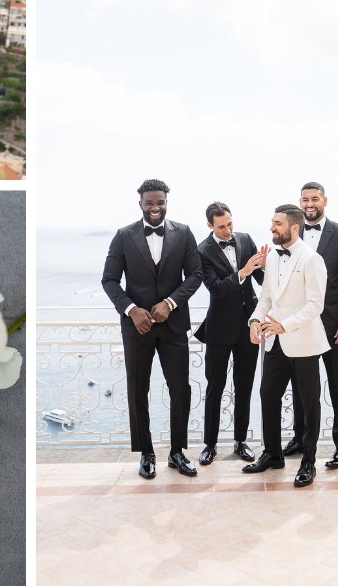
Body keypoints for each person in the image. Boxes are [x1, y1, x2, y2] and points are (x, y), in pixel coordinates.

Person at [102, 177, 203, 480]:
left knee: (180, 389)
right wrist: (132, 310)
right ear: (141, 204)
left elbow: (195, 275)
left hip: (173, 327)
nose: (155, 207)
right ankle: (146, 453)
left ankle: (177, 452)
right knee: (137, 390)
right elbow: (109, 280)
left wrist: (170, 303)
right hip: (137, 328)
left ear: (166, 203)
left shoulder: (184, 233)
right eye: (150, 203)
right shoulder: (123, 236)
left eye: (160, 202)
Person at [243, 203, 328, 487]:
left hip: (303, 342)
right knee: (268, 396)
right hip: (274, 343)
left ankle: (308, 462)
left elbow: (315, 305)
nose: (271, 228)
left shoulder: (312, 259)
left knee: (309, 404)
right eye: (272, 222)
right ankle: (273, 454)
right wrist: (255, 321)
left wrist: (285, 324)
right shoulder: (274, 257)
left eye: (277, 223)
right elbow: (266, 297)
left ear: (294, 227)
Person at [284, 180, 338, 469]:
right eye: (304, 200)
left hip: (332, 325)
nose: (309, 204)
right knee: (301, 385)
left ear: (325, 201)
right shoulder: (292, 233)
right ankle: (301, 439)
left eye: (314, 199)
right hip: (300, 324)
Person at [193, 200, 264, 464]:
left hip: (249, 326)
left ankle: (240, 441)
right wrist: (243, 272)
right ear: (210, 225)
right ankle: (209, 444)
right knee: (215, 387)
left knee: (244, 386)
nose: (228, 231)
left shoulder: (245, 240)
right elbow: (216, 288)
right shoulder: (201, 251)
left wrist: (269, 268)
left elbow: (261, 280)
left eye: (230, 224)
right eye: (221, 227)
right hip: (219, 328)